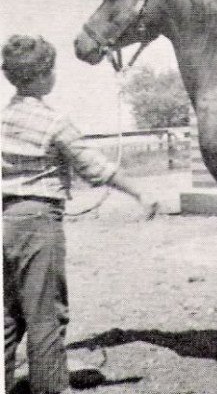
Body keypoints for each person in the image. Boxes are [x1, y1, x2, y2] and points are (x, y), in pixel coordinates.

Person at [2, 34, 158, 394]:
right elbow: (95, 167)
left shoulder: (4, 117)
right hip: (38, 224)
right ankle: (51, 389)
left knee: (10, 316)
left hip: (5, 220)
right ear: (45, 76)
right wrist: (140, 191)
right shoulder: (54, 122)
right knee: (46, 316)